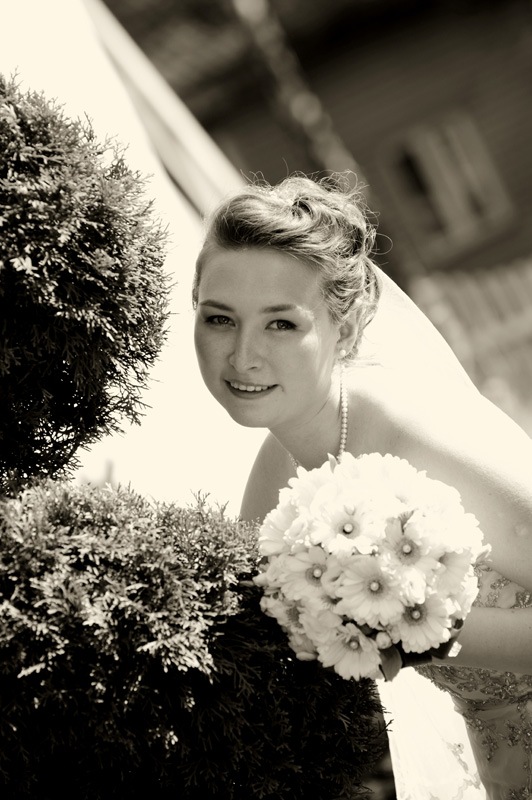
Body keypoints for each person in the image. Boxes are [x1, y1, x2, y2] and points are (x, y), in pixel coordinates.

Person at [193, 172, 532, 800]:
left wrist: (420, 629)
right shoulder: (277, 473)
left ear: (344, 329)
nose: (242, 355)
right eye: (219, 319)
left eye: (281, 324)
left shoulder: (417, 432)